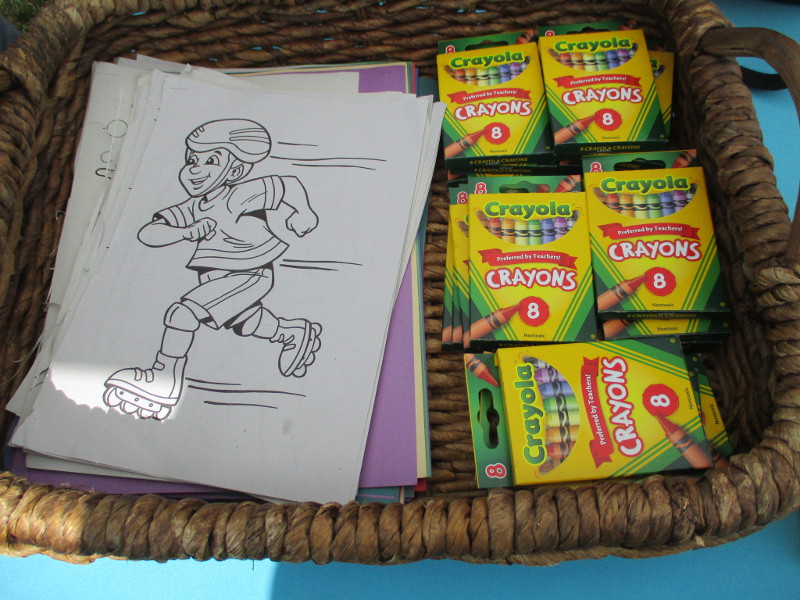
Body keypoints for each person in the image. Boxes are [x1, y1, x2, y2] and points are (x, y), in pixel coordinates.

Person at [103, 118, 322, 420]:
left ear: (234, 171)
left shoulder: (239, 194)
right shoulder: (193, 207)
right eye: (192, 160)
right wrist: (184, 232)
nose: (195, 169)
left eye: (210, 161)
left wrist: (305, 213)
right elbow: (149, 233)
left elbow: (288, 184)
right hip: (216, 278)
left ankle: (163, 377)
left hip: (249, 272)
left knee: (182, 314)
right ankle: (290, 333)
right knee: (247, 321)